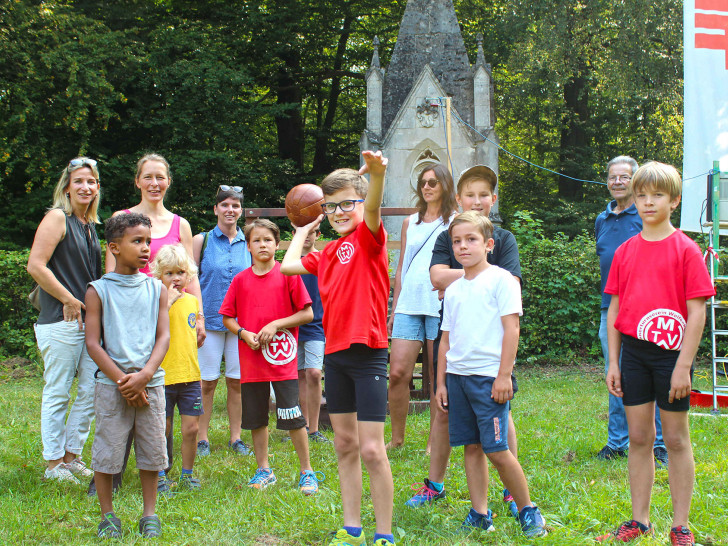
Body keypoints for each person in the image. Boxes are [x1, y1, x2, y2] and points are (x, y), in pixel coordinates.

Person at [281, 151, 396, 546]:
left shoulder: (368, 238)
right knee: (344, 443)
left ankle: (383, 533)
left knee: (371, 448)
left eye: (347, 203)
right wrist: (304, 223)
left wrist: (376, 175)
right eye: (332, 206)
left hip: (368, 355)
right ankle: (351, 528)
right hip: (335, 356)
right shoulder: (327, 252)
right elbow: (287, 265)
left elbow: (374, 206)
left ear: (361, 203)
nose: (339, 211)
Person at [597, 162, 714, 545]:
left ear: (674, 200)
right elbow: (614, 310)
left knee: (676, 439)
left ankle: (680, 525)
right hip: (633, 355)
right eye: (642, 195)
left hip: (671, 357)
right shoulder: (626, 251)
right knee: (639, 437)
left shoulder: (686, 249)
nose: (648, 202)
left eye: (657, 195)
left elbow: (697, 311)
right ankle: (639, 520)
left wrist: (683, 365)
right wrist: (614, 362)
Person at [406, 165, 521, 515]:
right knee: (443, 412)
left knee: (502, 412)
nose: (477, 200)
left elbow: (511, 284)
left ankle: (511, 490)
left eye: (483, 194)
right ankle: (434, 485)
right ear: (458, 198)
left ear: (493, 199)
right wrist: (474, 274)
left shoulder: (504, 239)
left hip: (492, 344)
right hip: (456, 340)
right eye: (469, 194)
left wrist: (468, 276)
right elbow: (436, 276)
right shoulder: (448, 236)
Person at [435, 211, 547, 538]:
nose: (462, 246)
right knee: (471, 447)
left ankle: (528, 510)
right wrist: (441, 383)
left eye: (471, 240)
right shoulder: (454, 289)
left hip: (489, 380)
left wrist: (503, 376)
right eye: (457, 241)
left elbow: (512, 329)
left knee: (497, 450)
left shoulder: (502, 280)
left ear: (488, 244)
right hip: (458, 379)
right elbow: (445, 339)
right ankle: (480, 513)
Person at [219, 219, 322, 495]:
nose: (262, 244)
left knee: (292, 415)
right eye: (256, 240)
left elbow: (307, 314)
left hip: (282, 363)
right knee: (256, 418)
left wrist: (277, 324)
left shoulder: (288, 275)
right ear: (248, 246)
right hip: (252, 362)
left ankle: (307, 471)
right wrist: (242, 333)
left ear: (278, 245)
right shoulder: (240, 280)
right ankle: (264, 469)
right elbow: (227, 316)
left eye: (268, 240)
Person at [84, 213, 170, 538]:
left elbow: (163, 337)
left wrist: (145, 375)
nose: (146, 248)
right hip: (111, 387)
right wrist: (125, 382)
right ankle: (108, 516)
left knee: (151, 452)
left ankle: (150, 514)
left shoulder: (157, 289)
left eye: (148, 241)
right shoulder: (98, 291)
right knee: (107, 452)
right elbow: (93, 343)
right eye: (137, 241)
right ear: (114, 247)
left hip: (152, 385)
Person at [27, 157, 103, 484]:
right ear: (67, 187)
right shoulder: (58, 218)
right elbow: (36, 265)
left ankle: (73, 456)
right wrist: (68, 299)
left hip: (88, 322)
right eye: (79, 181)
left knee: (89, 390)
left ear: (97, 188)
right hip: (60, 321)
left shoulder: (90, 226)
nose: (85, 187)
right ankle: (53, 463)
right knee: (58, 391)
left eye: (91, 182)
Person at [595, 156, 667, 466]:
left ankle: (659, 444)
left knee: (652, 375)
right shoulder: (602, 219)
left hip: (647, 309)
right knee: (616, 374)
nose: (618, 182)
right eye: (613, 177)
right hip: (609, 308)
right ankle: (616, 442)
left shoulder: (647, 215)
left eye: (625, 177)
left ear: (635, 182)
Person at [387, 163, 457, 449]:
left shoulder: (455, 220)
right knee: (397, 373)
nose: (427, 187)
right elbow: (402, 265)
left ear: (444, 185)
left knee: (434, 374)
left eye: (433, 182)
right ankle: (397, 439)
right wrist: (394, 308)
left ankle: (434, 441)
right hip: (408, 304)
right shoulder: (410, 222)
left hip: (439, 303)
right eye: (423, 183)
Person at [106, 153, 205, 346]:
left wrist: (199, 316)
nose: (154, 183)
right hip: (135, 311)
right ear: (137, 182)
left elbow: (191, 276)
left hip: (176, 311)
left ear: (168, 181)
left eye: (160, 177)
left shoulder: (181, 224)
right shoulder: (121, 218)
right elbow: (111, 273)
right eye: (147, 177)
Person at [193, 185, 252, 457]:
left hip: (241, 323)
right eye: (225, 205)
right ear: (216, 208)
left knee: (236, 381)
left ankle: (236, 438)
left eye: (235, 206)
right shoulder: (201, 240)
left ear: (241, 210)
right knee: (207, 381)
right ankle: (201, 438)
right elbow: (189, 281)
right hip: (209, 319)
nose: (230, 210)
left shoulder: (249, 242)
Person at [152, 244, 203, 491]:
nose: (175, 278)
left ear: (188, 275)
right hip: (163, 376)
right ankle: (160, 474)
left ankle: (187, 474)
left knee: (191, 428)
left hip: (190, 375)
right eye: (169, 273)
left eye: (180, 273)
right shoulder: (155, 299)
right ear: (159, 275)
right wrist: (167, 302)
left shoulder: (192, 301)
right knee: (163, 428)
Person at [295, 226, 331, 443]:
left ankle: (315, 429)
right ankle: (304, 425)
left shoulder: (323, 260)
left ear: (318, 235)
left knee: (314, 373)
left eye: (312, 232)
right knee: (299, 375)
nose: (308, 237)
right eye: (303, 232)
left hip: (318, 325)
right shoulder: (292, 263)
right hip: (296, 325)